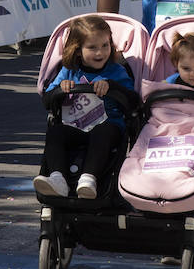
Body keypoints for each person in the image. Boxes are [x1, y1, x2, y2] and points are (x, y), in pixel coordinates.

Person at [32, 15, 136, 199]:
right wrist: (59, 89)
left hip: (107, 126)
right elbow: (47, 101)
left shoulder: (116, 71)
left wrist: (113, 87)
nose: (100, 52)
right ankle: (58, 178)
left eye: (105, 45)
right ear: (78, 50)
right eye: (92, 47)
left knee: (103, 132)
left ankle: (89, 179)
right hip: (74, 126)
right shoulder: (69, 71)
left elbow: (133, 102)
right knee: (55, 132)